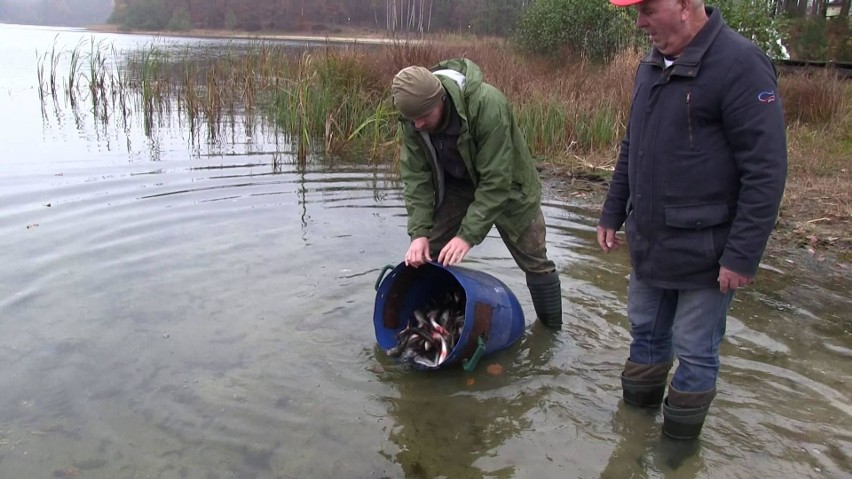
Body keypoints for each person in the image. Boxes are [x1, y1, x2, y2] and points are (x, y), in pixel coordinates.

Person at [598, 0, 787, 439]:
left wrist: (741, 256)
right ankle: (633, 438)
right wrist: (612, 210)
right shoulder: (649, 67)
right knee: (644, 334)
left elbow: (766, 170)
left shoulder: (741, 65)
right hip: (649, 242)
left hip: (707, 252)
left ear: (685, 4)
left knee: (695, 350)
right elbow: (633, 145)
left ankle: (676, 453)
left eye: (647, 9)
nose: (640, 22)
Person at [390, 59, 563, 330]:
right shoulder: (414, 120)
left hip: (510, 186)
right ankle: (437, 322)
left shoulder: (487, 104)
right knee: (428, 253)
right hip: (459, 185)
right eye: (413, 120)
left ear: (441, 101)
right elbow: (417, 179)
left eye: (424, 117)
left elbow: (496, 181)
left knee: (535, 261)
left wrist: (466, 236)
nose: (419, 125)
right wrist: (419, 233)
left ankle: (552, 333)